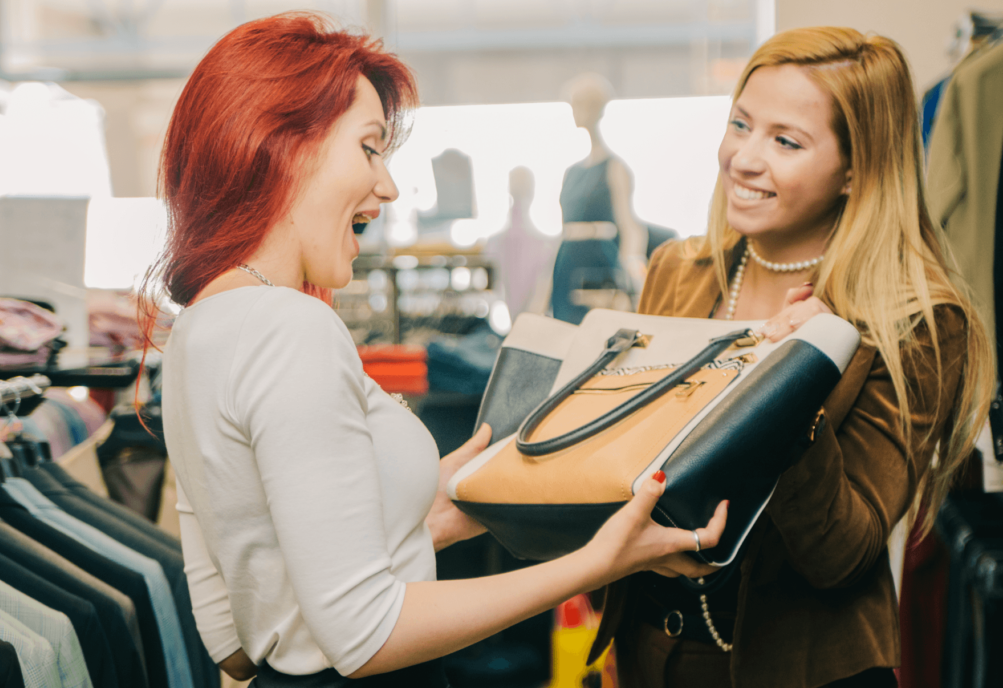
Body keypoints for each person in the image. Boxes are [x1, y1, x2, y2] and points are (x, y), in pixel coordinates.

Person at [138, 12, 728, 688]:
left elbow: (237, 634)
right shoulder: (289, 326)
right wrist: (598, 563)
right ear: (286, 146)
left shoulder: (196, 330)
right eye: (368, 148)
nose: (387, 185)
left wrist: (458, 496)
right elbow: (364, 635)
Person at [589, 27, 996, 688]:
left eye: (786, 141)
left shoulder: (917, 318)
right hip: (650, 653)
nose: (744, 159)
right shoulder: (678, 269)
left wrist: (790, 384)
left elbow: (840, 554)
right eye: (740, 124)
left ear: (857, 167)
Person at [551, 72, 648, 324]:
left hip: (599, 264)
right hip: (566, 263)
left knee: (599, 333)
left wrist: (633, 276)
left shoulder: (614, 168)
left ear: (596, 108)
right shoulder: (570, 173)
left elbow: (630, 226)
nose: (574, 111)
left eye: (580, 104)